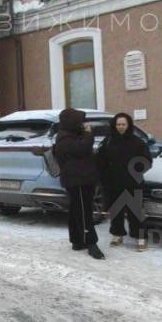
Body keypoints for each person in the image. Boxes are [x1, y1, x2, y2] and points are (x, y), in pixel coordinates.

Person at [52, 108, 104, 259]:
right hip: (78, 181)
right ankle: (91, 243)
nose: (83, 124)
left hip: (81, 179)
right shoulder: (65, 138)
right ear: (72, 122)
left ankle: (77, 240)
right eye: (80, 121)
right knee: (84, 211)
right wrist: (88, 134)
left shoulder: (70, 135)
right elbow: (82, 148)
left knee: (76, 210)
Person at [98, 111, 151, 251]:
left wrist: (135, 170)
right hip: (113, 182)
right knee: (116, 210)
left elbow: (146, 160)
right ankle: (117, 234)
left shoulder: (137, 142)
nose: (121, 127)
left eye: (123, 124)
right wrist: (104, 174)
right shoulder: (108, 141)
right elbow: (101, 160)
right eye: (118, 124)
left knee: (136, 211)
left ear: (129, 125)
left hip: (133, 182)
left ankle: (140, 238)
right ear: (114, 125)